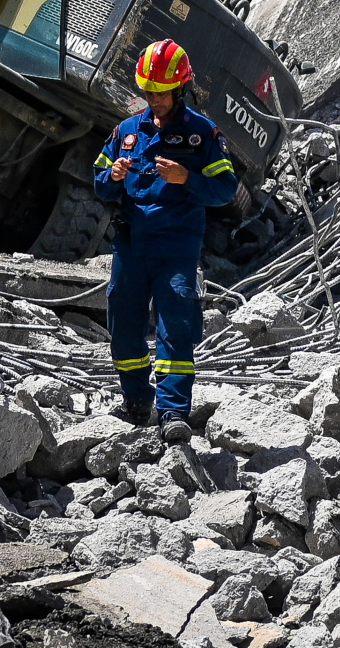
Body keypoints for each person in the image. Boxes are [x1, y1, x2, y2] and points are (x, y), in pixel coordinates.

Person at [93, 38, 238, 441]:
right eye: (148, 92)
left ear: (180, 88)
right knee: (123, 326)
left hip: (176, 248)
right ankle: (137, 401)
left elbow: (225, 189)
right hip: (130, 246)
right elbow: (100, 185)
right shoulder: (126, 131)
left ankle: (173, 412)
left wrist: (187, 178)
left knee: (175, 325)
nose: (154, 99)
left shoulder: (201, 134)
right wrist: (113, 177)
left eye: (161, 92)